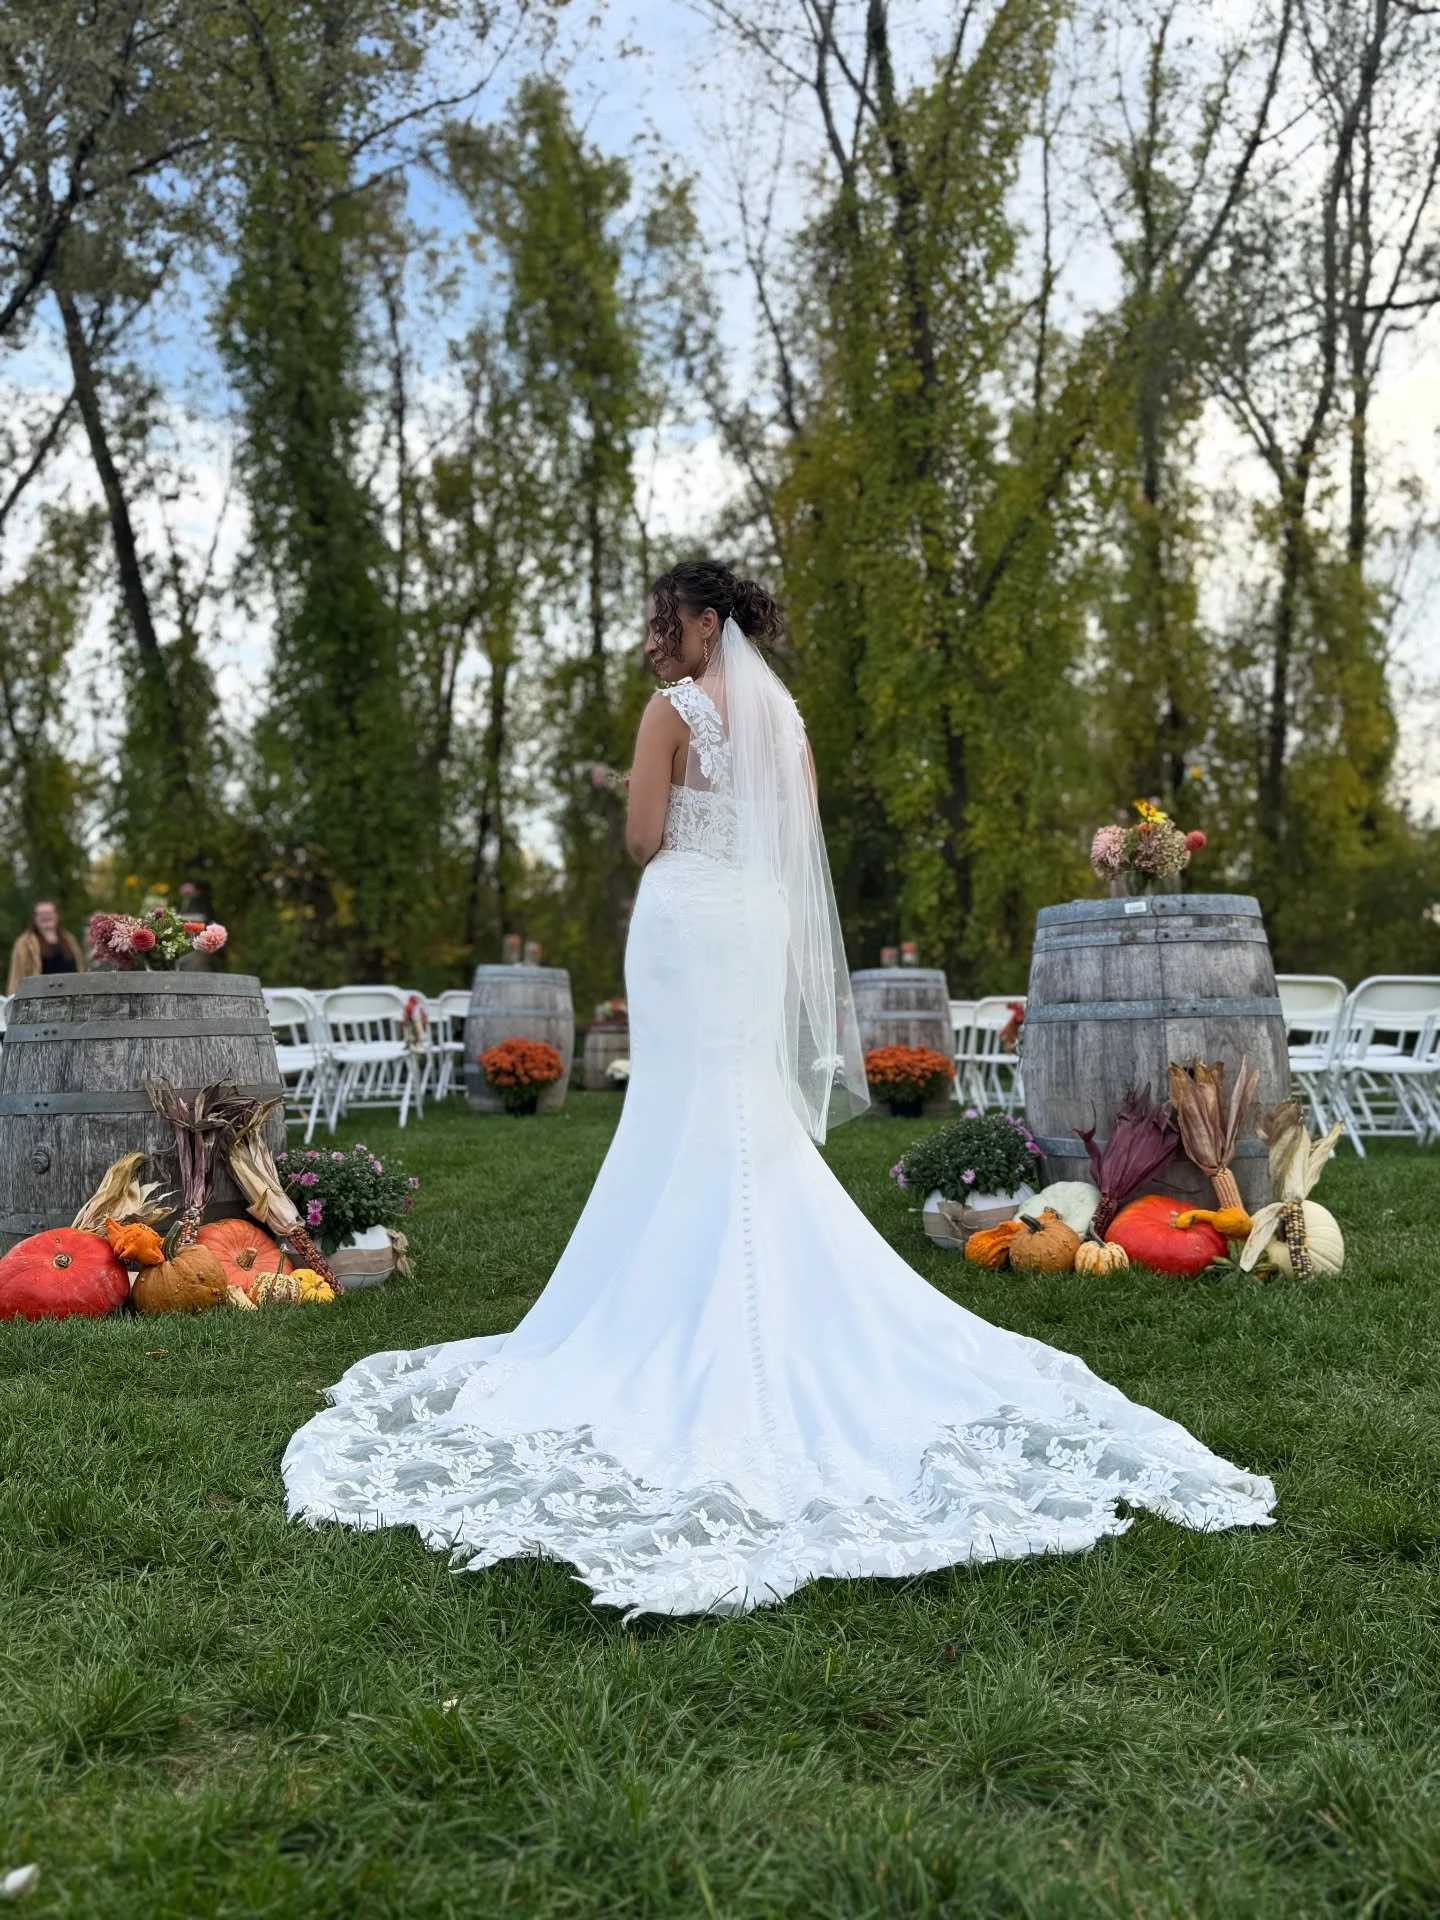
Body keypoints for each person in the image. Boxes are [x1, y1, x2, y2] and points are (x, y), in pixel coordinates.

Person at [283, 562, 1274, 1617]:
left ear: (708, 622)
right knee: (739, 1098)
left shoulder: (669, 713)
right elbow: (795, 846)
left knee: (682, 1103)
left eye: (665, 623)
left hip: (683, 923)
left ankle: (669, 1297)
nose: (654, 641)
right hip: (755, 920)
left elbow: (642, 838)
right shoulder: (787, 719)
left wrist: (661, 801)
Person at [7, 899, 85, 995]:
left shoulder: (69, 940)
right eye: (41, 914)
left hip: (72, 996)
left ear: (57, 915)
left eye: (49, 913)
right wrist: (13, 996)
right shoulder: (24, 944)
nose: (45, 916)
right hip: (38, 998)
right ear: (35, 918)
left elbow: (80, 968)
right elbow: (17, 975)